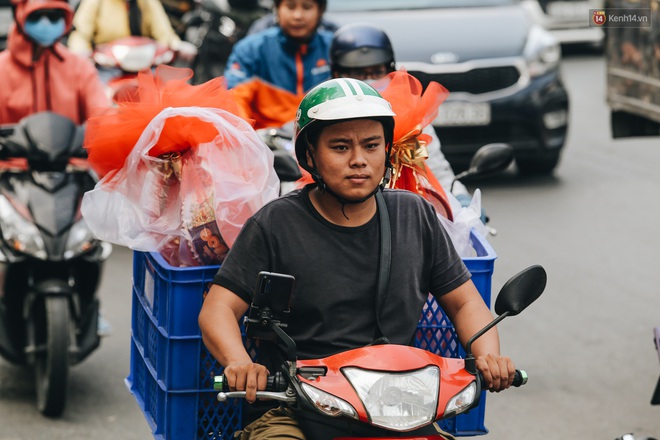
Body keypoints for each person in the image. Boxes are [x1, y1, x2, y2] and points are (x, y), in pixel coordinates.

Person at [198, 78, 516, 439]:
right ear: (309, 156)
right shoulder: (276, 224)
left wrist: (488, 355)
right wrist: (240, 363)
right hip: (297, 405)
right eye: (340, 147)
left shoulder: (414, 215)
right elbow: (218, 309)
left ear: (386, 150)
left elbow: (464, 303)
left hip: (396, 404)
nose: (359, 160)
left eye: (371, 145)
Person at [329, 22, 472, 206]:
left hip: (406, 214)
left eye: (376, 72)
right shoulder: (322, 119)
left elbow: (435, 170)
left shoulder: (413, 120)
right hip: (339, 214)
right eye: (358, 74)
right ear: (337, 74)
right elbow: (303, 175)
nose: (369, 81)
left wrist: (460, 198)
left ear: (390, 70)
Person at [223, 0, 333, 129]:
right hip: (267, 142)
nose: (298, 15)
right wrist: (244, 135)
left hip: (322, 137)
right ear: (277, 9)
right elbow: (235, 100)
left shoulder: (333, 47)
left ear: (320, 11)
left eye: (307, 7)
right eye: (290, 7)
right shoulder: (251, 49)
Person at [0, 0, 109, 124]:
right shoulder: (2, 69)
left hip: (71, 143)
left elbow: (102, 115)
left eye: (54, 16)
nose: (45, 23)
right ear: (18, 15)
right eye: (36, 15)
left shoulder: (79, 67)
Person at [66, 0, 196, 60]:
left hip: (144, 65)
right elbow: (80, 35)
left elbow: (164, 32)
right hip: (106, 65)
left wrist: (178, 45)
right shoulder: (95, 2)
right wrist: (81, 53)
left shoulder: (147, 2)